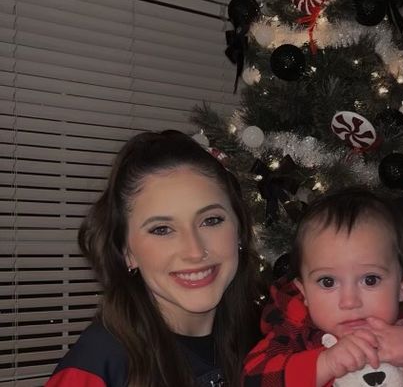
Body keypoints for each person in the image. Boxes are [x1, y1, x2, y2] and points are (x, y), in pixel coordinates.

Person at [46, 130, 266, 387]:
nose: (194, 251)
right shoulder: (97, 367)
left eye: (211, 220)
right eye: (162, 229)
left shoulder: (275, 341)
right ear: (127, 252)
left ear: (239, 229)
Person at [242, 189, 403, 387]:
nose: (350, 301)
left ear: (402, 284)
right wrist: (325, 364)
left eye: (370, 280)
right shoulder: (294, 329)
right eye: (328, 282)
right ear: (304, 293)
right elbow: (252, 379)